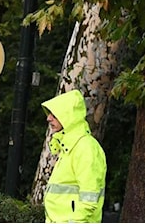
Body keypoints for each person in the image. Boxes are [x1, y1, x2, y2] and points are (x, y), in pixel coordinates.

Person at [41, 89, 107, 223]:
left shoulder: (85, 148)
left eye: (54, 114)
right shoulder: (69, 147)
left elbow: (89, 199)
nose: (48, 118)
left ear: (68, 116)